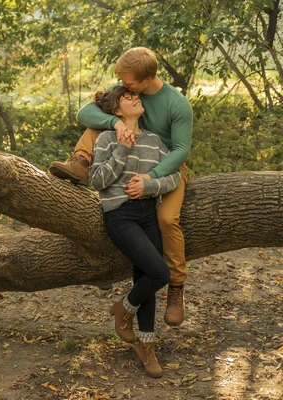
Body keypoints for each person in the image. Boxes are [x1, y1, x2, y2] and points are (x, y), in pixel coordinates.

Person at [49, 47, 192, 327]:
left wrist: (152, 177)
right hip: (130, 155)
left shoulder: (177, 104)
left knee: (167, 218)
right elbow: (85, 112)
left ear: (147, 78)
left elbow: (181, 150)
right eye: (124, 84)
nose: (125, 88)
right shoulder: (128, 95)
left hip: (164, 164)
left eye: (129, 84)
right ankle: (80, 162)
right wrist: (115, 122)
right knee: (101, 124)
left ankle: (176, 287)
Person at [90, 85, 181, 378]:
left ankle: (145, 344)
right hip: (120, 215)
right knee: (160, 273)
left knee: (147, 276)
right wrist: (123, 148)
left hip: (148, 214)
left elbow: (175, 175)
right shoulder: (106, 138)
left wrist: (150, 186)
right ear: (117, 110)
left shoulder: (155, 141)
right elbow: (98, 179)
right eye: (128, 97)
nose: (135, 98)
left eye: (136, 95)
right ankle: (124, 308)